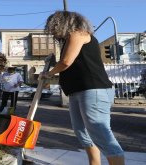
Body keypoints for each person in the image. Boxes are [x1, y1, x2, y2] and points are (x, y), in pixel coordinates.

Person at [42, 11, 125, 165]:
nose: (52, 30)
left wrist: (49, 73)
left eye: (53, 26)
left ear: (63, 23)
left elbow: (66, 62)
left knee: (100, 133)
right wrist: (51, 73)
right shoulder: (68, 40)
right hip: (76, 91)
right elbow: (69, 66)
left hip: (93, 89)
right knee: (83, 133)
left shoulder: (78, 34)